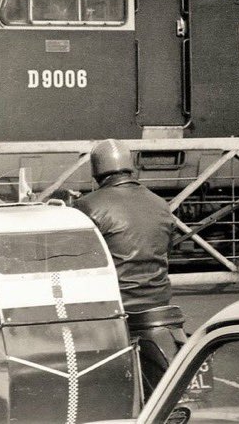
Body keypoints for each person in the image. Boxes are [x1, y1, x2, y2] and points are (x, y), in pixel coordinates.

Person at [76, 139, 183, 398]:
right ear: (130, 166)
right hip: (160, 303)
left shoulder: (87, 206)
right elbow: (166, 249)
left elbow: (80, 261)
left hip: (116, 308)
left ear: (96, 170)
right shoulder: (160, 202)